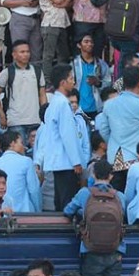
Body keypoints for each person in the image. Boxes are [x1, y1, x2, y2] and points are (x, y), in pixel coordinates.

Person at [63, 159, 126, 276]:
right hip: (115, 250)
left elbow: (68, 211)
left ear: (93, 174)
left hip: (90, 249)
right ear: (111, 176)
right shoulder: (119, 196)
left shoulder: (84, 193)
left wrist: (82, 212)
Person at [43, 64, 84, 211]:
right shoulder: (62, 104)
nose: (73, 81)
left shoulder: (54, 102)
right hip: (65, 162)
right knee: (67, 201)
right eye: (71, 78)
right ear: (63, 82)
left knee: (60, 199)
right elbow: (68, 135)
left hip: (58, 160)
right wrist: (76, 161)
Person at [0, 40, 47, 139]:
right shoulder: (7, 72)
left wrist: (44, 114)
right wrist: (2, 115)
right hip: (15, 121)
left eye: (27, 51)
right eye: (22, 52)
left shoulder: (38, 71)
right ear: (14, 55)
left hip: (35, 120)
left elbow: (42, 94)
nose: (26, 54)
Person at [38, 0, 71, 88]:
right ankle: (47, 83)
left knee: (63, 55)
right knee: (48, 56)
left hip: (62, 21)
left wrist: (62, 2)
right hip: (50, 22)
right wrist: (62, 0)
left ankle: (62, 81)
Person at [0, 130, 41, 213]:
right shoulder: (26, 161)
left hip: (0, 214)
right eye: (21, 143)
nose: (23, 146)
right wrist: (38, 212)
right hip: (24, 214)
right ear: (12, 143)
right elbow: (34, 190)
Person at [72, 34, 112, 118]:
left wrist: (98, 83)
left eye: (91, 42)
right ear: (79, 45)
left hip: (97, 108)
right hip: (78, 108)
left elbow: (109, 83)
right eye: (86, 42)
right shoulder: (73, 64)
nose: (89, 44)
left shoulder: (101, 64)